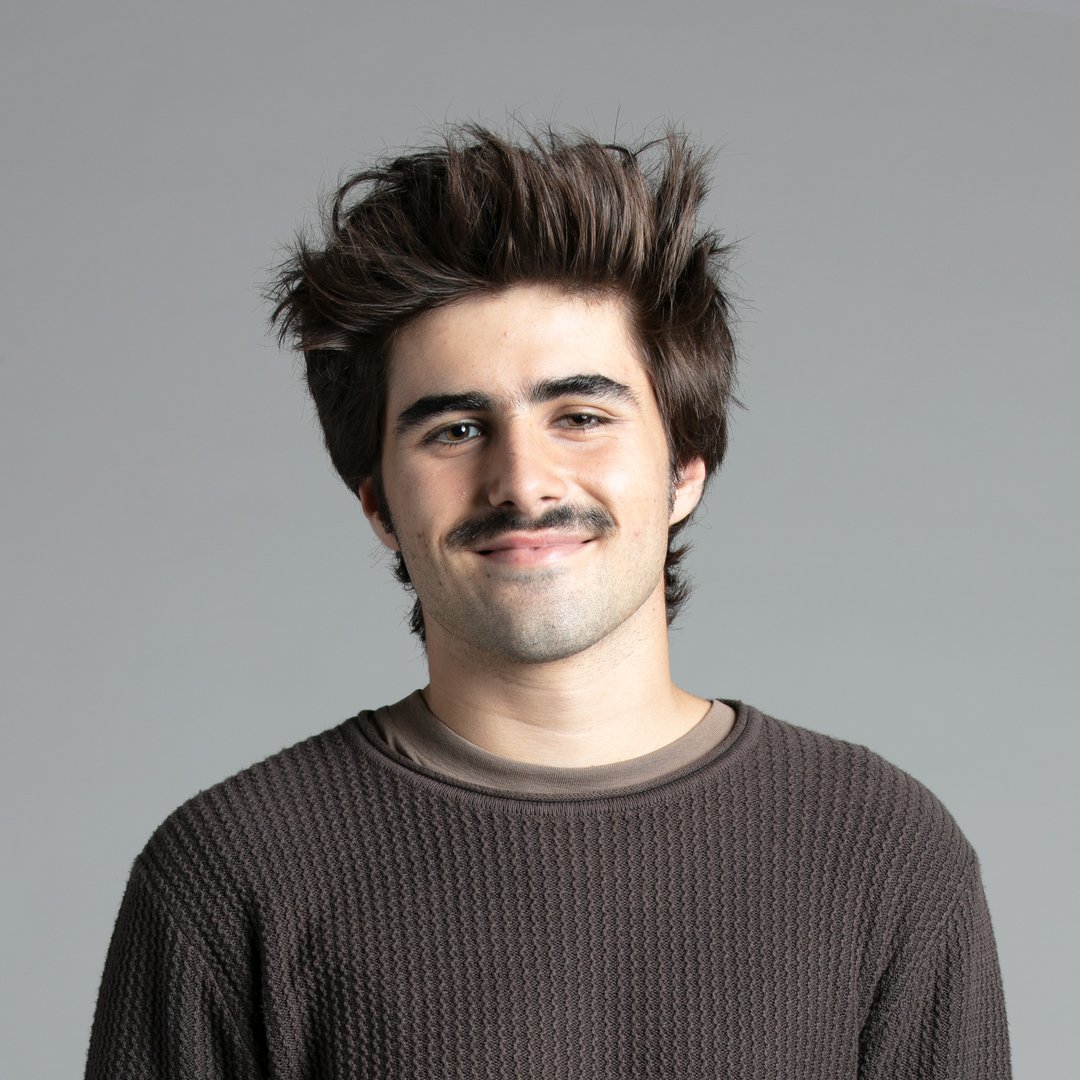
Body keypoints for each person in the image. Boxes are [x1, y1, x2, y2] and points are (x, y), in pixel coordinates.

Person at [85, 124, 1012, 1079]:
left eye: (581, 416)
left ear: (685, 467)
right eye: (455, 429)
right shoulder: (229, 874)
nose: (523, 482)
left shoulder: (882, 849)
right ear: (378, 504)